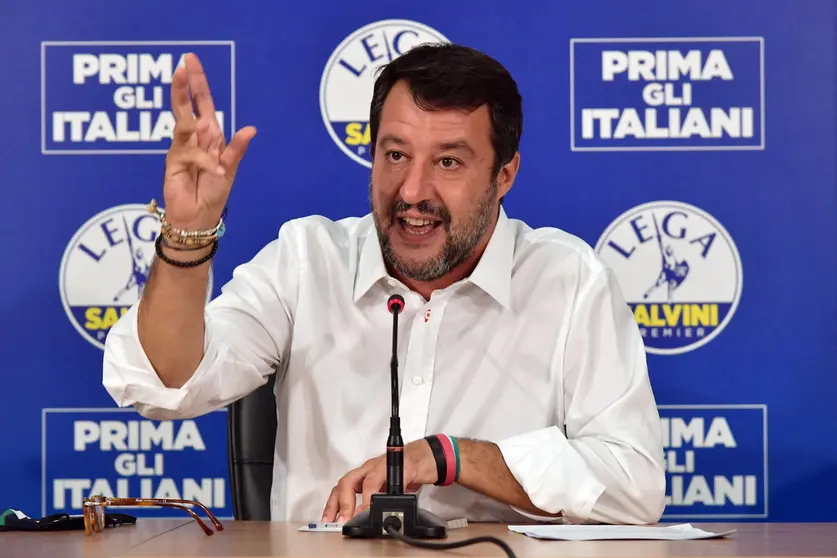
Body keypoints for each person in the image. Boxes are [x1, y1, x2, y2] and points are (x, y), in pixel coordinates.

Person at [102, 43, 666, 525]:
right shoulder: (307, 260)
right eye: (395, 155)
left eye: (448, 162)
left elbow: (634, 486)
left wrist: (452, 458)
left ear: (505, 175)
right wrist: (188, 236)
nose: (413, 190)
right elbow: (163, 384)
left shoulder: (568, 281)